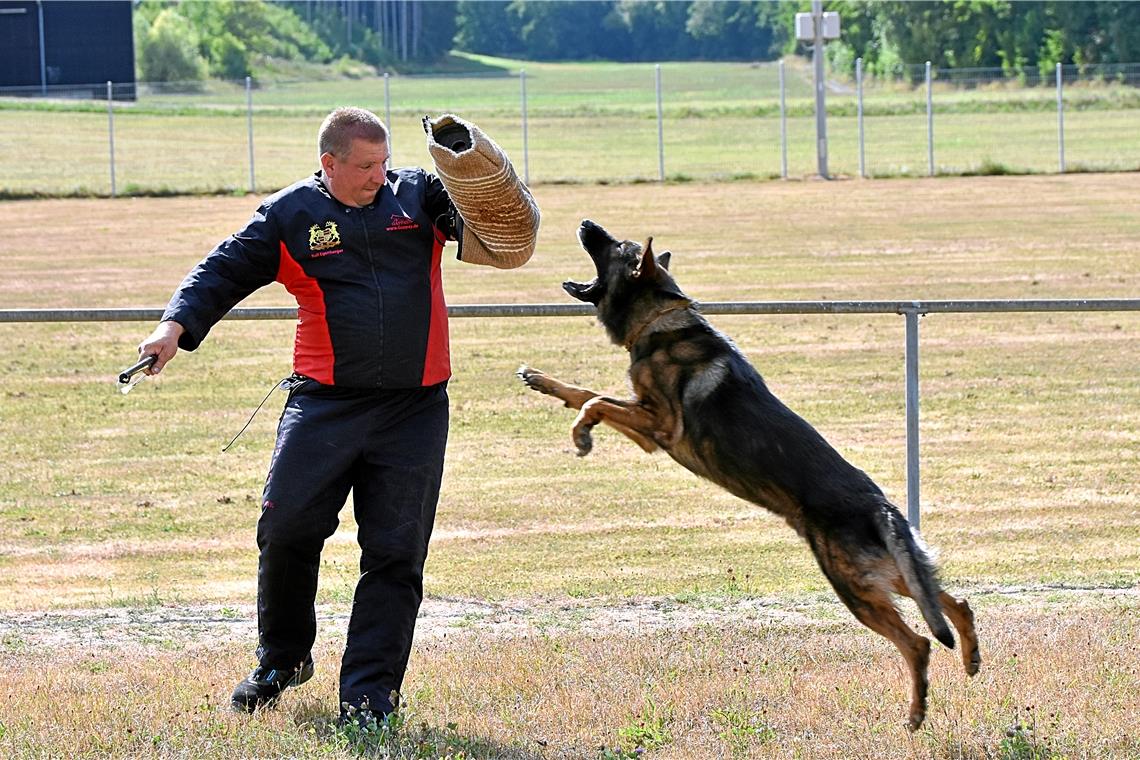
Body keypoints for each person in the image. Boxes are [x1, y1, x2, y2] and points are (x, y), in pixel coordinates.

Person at [136, 107, 537, 723]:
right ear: (329, 163)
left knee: (395, 554)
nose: (381, 175)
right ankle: (283, 658)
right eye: (365, 166)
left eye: (384, 161)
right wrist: (175, 326)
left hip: (414, 409)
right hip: (323, 405)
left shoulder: (421, 196)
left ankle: (371, 692)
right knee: (287, 529)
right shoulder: (290, 215)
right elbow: (222, 270)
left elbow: (496, 226)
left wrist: (476, 169)